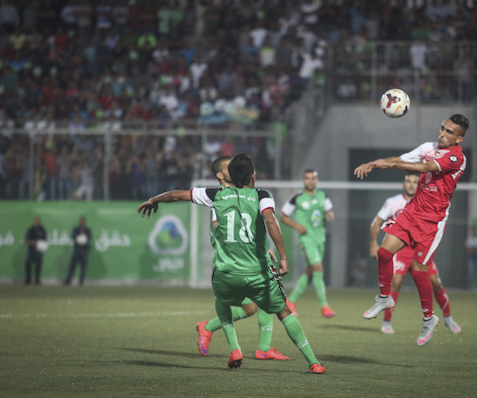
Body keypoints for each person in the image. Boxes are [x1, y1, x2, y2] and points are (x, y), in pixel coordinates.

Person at [137, 153, 325, 373]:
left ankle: (235, 347)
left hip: (225, 273)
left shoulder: (216, 195)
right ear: (253, 176)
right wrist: (283, 257)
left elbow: (177, 195)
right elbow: (270, 220)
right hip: (257, 272)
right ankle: (313, 362)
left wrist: (154, 199)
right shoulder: (262, 195)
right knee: (283, 312)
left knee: (223, 301)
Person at [354, 114, 469, 346]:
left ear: (459, 138)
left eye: (449, 132)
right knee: (385, 253)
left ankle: (429, 319)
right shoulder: (429, 147)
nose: (442, 134)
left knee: (419, 271)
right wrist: (376, 163)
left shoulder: (457, 157)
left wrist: (389, 164)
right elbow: (401, 158)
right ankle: (385, 298)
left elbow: (425, 166)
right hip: (412, 211)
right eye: (442, 128)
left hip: (432, 221)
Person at [194, 156, 290, 361]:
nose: (232, 166)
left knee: (252, 306)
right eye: (227, 165)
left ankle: (262, 346)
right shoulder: (219, 197)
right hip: (231, 261)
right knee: (259, 297)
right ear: (220, 174)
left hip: (245, 256)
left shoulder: (242, 195)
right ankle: (212, 328)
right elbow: (218, 228)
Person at [370, 173, 461, 335]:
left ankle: (447, 317)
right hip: (402, 248)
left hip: (421, 247)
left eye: (415, 182)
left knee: (435, 283)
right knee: (396, 281)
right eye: (408, 181)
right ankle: (386, 322)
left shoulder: (427, 198)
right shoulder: (393, 202)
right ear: (403, 184)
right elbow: (376, 222)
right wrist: (373, 243)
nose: (411, 184)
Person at [280, 170, 335, 318]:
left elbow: (329, 212)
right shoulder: (297, 197)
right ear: (303, 180)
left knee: (311, 272)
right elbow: (283, 216)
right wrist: (296, 226)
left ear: (316, 180)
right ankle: (324, 306)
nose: (310, 181)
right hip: (306, 239)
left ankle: (290, 302)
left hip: (320, 239)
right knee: (318, 267)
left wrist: (330, 215)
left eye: (313, 178)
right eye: (308, 178)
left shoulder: (323, 196)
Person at [64, 217, 92, 286]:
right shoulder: (76, 229)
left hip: (84, 251)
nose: (81, 222)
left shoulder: (87, 230)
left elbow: (89, 238)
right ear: (79, 222)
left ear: (84, 222)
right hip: (76, 251)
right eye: (80, 221)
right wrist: (79, 235)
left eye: (83, 221)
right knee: (72, 266)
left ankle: (81, 281)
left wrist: (84, 236)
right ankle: (68, 280)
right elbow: (73, 236)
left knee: (83, 268)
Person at [24, 217, 47, 285]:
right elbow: (27, 240)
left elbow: (45, 240)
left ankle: (37, 281)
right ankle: (28, 281)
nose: (36, 222)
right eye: (35, 221)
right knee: (28, 265)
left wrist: (39, 244)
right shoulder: (30, 230)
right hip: (31, 251)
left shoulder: (42, 230)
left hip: (39, 251)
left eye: (37, 221)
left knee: (38, 266)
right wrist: (34, 242)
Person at [465, 225, 477, 290]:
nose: (473, 232)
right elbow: (468, 249)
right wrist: (476, 248)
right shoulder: (469, 240)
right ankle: (469, 288)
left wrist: (473, 249)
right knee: (470, 274)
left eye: (474, 230)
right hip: (472, 258)